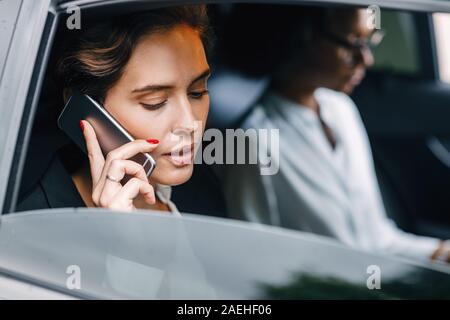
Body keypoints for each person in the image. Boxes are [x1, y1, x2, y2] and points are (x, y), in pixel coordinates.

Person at [223, 5, 450, 263]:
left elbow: (375, 240)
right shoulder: (254, 142)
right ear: (302, 38)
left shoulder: (341, 109)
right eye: (353, 43)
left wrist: (440, 252)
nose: (367, 59)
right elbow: (254, 263)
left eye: (369, 42)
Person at [17, 5, 213, 215]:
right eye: (154, 102)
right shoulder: (34, 222)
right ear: (87, 110)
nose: (189, 124)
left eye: (197, 92)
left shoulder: (205, 189)